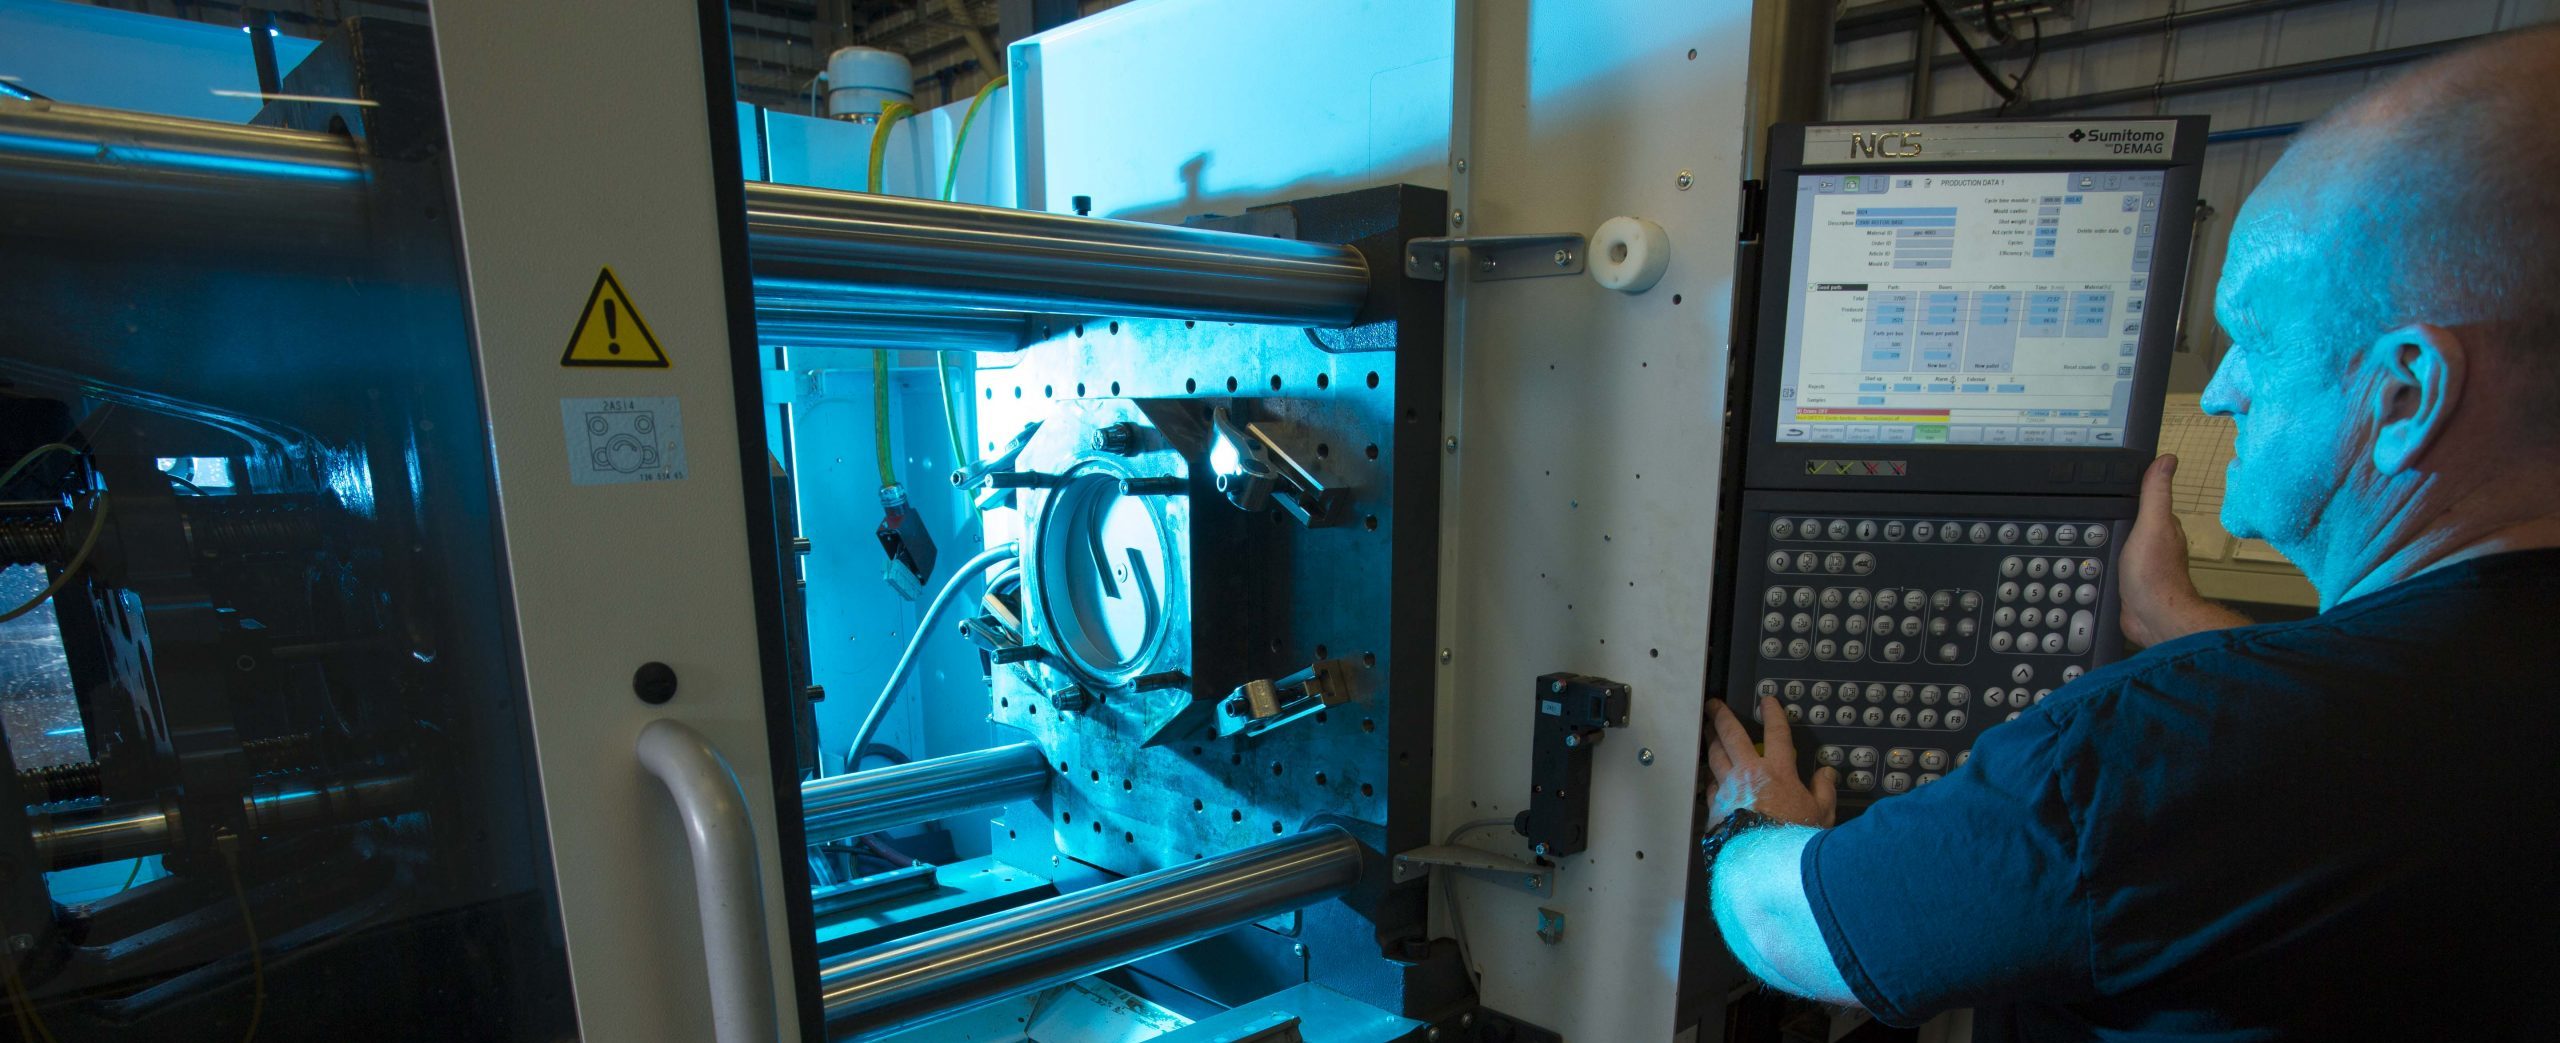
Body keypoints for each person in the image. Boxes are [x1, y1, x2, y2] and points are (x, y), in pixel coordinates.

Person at [1700, 26, 2560, 1040]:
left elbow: (1789, 924)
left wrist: (1754, 823)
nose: (2226, 386)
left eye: (2258, 339)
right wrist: (2192, 627)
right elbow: (2392, 736)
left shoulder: (2149, 752)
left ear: (2406, 393)